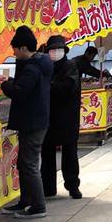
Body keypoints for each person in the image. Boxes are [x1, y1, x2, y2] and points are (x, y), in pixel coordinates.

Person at [0, 26, 53, 219]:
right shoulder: (38, 64)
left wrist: (5, 84)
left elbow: (20, 93)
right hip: (35, 121)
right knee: (24, 163)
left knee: (28, 164)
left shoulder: (32, 68)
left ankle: (38, 206)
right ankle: (26, 201)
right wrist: (12, 80)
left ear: (23, 48)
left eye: (14, 49)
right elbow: (25, 86)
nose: (12, 52)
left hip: (33, 122)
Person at [42, 35, 82, 200]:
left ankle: (73, 186)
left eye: (58, 50)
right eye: (52, 50)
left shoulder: (70, 66)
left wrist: (48, 86)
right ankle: (48, 187)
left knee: (70, 153)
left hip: (67, 117)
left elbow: (68, 87)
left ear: (64, 51)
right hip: (49, 117)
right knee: (47, 154)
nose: (55, 53)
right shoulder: (45, 67)